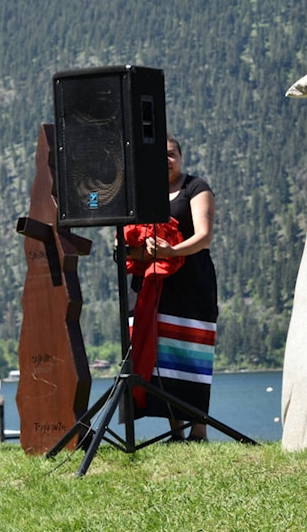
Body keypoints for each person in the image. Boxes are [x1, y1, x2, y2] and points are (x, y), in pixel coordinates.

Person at [124, 135, 218, 442]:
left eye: (172, 154)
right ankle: (175, 431)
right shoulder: (141, 194)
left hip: (191, 283)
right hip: (152, 283)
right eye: (159, 155)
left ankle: (199, 429)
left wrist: (171, 252)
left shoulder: (196, 186)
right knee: (160, 355)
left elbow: (204, 237)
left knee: (191, 353)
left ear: (181, 157)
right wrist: (147, 252)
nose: (166, 160)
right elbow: (124, 248)